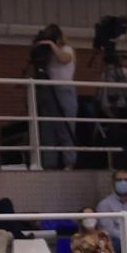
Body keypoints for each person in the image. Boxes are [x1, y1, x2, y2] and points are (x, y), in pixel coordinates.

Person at [29, 24, 77, 169]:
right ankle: (49, 164)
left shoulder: (66, 49)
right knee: (47, 129)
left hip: (64, 90)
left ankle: (69, 163)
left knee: (65, 128)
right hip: (48, 90)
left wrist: (52, 45)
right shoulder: (46, 54)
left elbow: (64, 59)